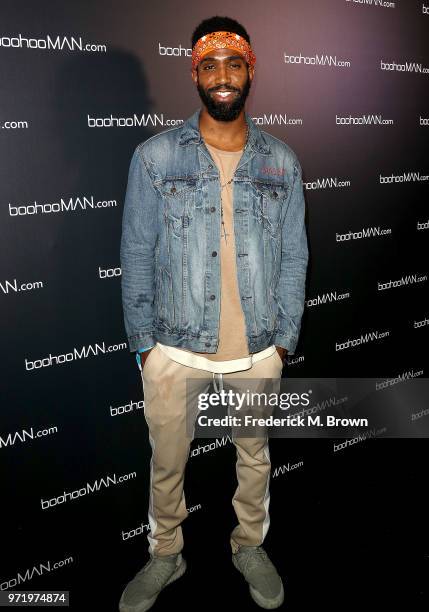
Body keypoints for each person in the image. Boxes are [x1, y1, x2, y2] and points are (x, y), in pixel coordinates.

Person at [119, 15, 308, 612]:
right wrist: (145, 348)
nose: (221, 76)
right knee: (166, 465)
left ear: (250, 70)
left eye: (233, 63)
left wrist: (283, 341)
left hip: (256, 349)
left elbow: (296, 255)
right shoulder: (153, 157)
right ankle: (165, 555)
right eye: (209, 64)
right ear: (194, 74)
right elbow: (136, 253)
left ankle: (249, 544)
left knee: (254, 459)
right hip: (174, 351)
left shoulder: (282, 161)